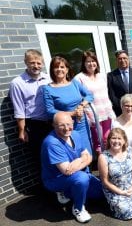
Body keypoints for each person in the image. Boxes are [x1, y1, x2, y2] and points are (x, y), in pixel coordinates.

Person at [41, 112, 103, 223]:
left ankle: (68, 192)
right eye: (61, 125)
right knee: (82, 179)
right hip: (56, 179)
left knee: (100, 193)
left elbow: (89, 157)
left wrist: (79, 160)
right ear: (54, 125)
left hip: (76, 174)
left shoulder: (75, 134)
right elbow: (67, 171)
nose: (66, 128)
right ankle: (78, 208)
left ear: (73, 123)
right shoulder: (51, 143)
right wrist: (83, 159)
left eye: (69, 124)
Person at [9, 49, 52, 178]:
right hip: (34, 125)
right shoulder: (17, 83)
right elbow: (19, 109)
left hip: (51, 122)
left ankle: (60, 185)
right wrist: (22, 130)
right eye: (32, 63)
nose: (36, 66)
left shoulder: (47, 79)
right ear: (25, 63)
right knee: (41, 156)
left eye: (39, 63)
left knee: (54, 153)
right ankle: (48, 188)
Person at [43, 56, 93, 150]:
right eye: (56, 67)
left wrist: (81, 106)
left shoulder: (74, 83)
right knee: (73, 153)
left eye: (62, 67)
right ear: (52, 70)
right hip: (65, 127)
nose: (59, 69)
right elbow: (50, 111)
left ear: (67, 70)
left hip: (81, 124)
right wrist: (72, 113)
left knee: (86, 151)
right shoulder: (48, 89)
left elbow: (89, 95)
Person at [98, 128, 132, 220]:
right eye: (113, 138)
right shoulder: (103, 157)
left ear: (124, 141)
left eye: (119, 138)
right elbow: (105, 181)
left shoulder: (131, 151)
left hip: (130, 187)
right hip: (114, 190)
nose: (116, 141)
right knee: (125, 211)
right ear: (109, 140)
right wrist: (121, 192)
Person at [74, 51, 116, 154]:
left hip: (106, 112)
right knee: (98, 142)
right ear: (83, 63)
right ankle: (101, 163)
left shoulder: (101, 76)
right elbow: (79, 98)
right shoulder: (79, 78)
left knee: (108, 138)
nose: (91, 64)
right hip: (92, 115)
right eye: (88, 61)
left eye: (93, 61)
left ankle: (109, 161)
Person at [107, 50, 132, 117]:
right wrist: (123, 107)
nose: (122, 60)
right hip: (121, 112)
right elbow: (112, 95)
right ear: (116, 60)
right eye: (120, 59)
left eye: (124, 58)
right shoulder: (111, 76)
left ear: (128, 59)